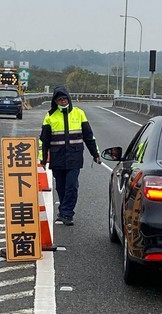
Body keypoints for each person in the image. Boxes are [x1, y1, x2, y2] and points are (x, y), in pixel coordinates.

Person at [39, 86, 101, 226]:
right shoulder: (50, 116)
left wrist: (95, 154)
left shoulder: (79, 113)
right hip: (57, 157)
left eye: (65, 98)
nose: (62, 101)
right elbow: (44, 140)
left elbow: (89, 136)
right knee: (61, 187)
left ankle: (67, 213)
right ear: (55, 101)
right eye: (59, 99)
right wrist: (43, 159)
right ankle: (63, 210)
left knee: (71, 186)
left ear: (69, 98)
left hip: (74, 157)